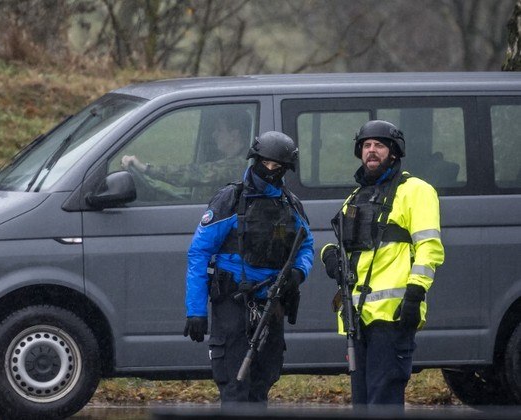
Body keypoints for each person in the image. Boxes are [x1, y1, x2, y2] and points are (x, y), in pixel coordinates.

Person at [183, 131, 314, 405]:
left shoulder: (290, 204)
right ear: (254, 159)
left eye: (276, 167)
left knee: (261, 384)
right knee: (235, 385)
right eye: (264, 163)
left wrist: (298, 272)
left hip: (272, 304)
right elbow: (199, 252)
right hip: (233, 303)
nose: (269, 170)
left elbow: (306, 246)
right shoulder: (230, 200)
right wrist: (195, 311)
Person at [320, 120, 444, 408]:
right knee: (363, 403)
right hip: (357, 317)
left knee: (383, 400)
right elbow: (347, 247)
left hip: (393, 316)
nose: (371, 151)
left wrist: (415, 293)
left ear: (394, 152)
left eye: (379, 145)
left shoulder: (416, 190)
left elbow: (429, 247)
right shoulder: (356, 196)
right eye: (366, 145)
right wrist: (328, 255)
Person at [120, 110, 251, 199]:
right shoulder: (231, 161)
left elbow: (194, 174)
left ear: (235, 135)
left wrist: (147, 169)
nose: (214, 134)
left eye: (219, 130)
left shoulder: (238, 166)